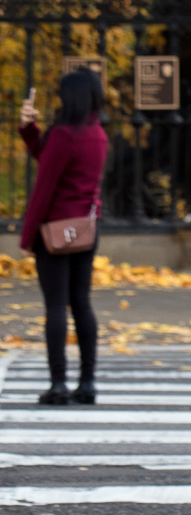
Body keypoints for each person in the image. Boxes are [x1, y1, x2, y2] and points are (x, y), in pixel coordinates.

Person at [18, 69, 108, 405]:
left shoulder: (63, 136)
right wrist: (30, 131)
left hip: (55, 232)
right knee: (82, 303)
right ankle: (88, 382)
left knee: (56, 306)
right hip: (86, 229)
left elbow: (44, 187)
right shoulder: (97, 134)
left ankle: (58, 384)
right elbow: (50, 160)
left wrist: (27, 238)